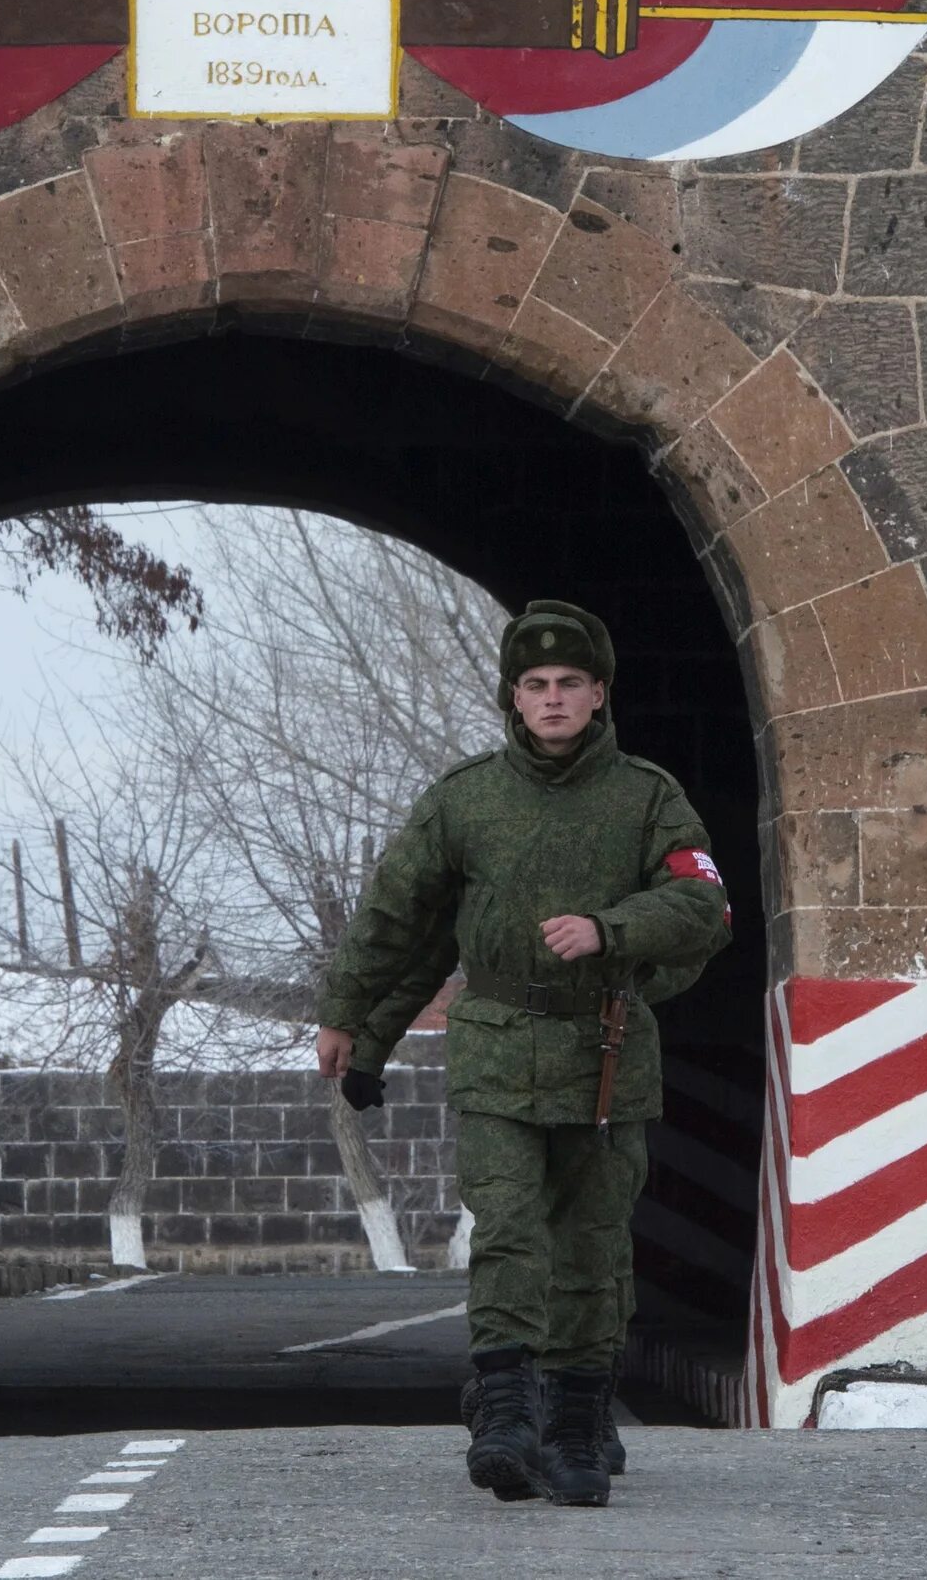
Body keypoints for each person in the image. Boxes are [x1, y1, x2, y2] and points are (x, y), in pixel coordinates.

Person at [316, 600, 730, 1507]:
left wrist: (610, 930)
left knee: (590, 1248)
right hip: (499, 1050)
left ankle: (579, 1421)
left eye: (569, 684)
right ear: (514, 696)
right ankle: (503, 1410)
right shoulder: (465, 799)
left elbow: (708, 908)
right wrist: (350, 1016)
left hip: (607, 1056)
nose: (552, 699)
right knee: (508, 1232)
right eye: (536, 685)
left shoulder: (648, 797)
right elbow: (402, 921)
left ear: (598, 695)